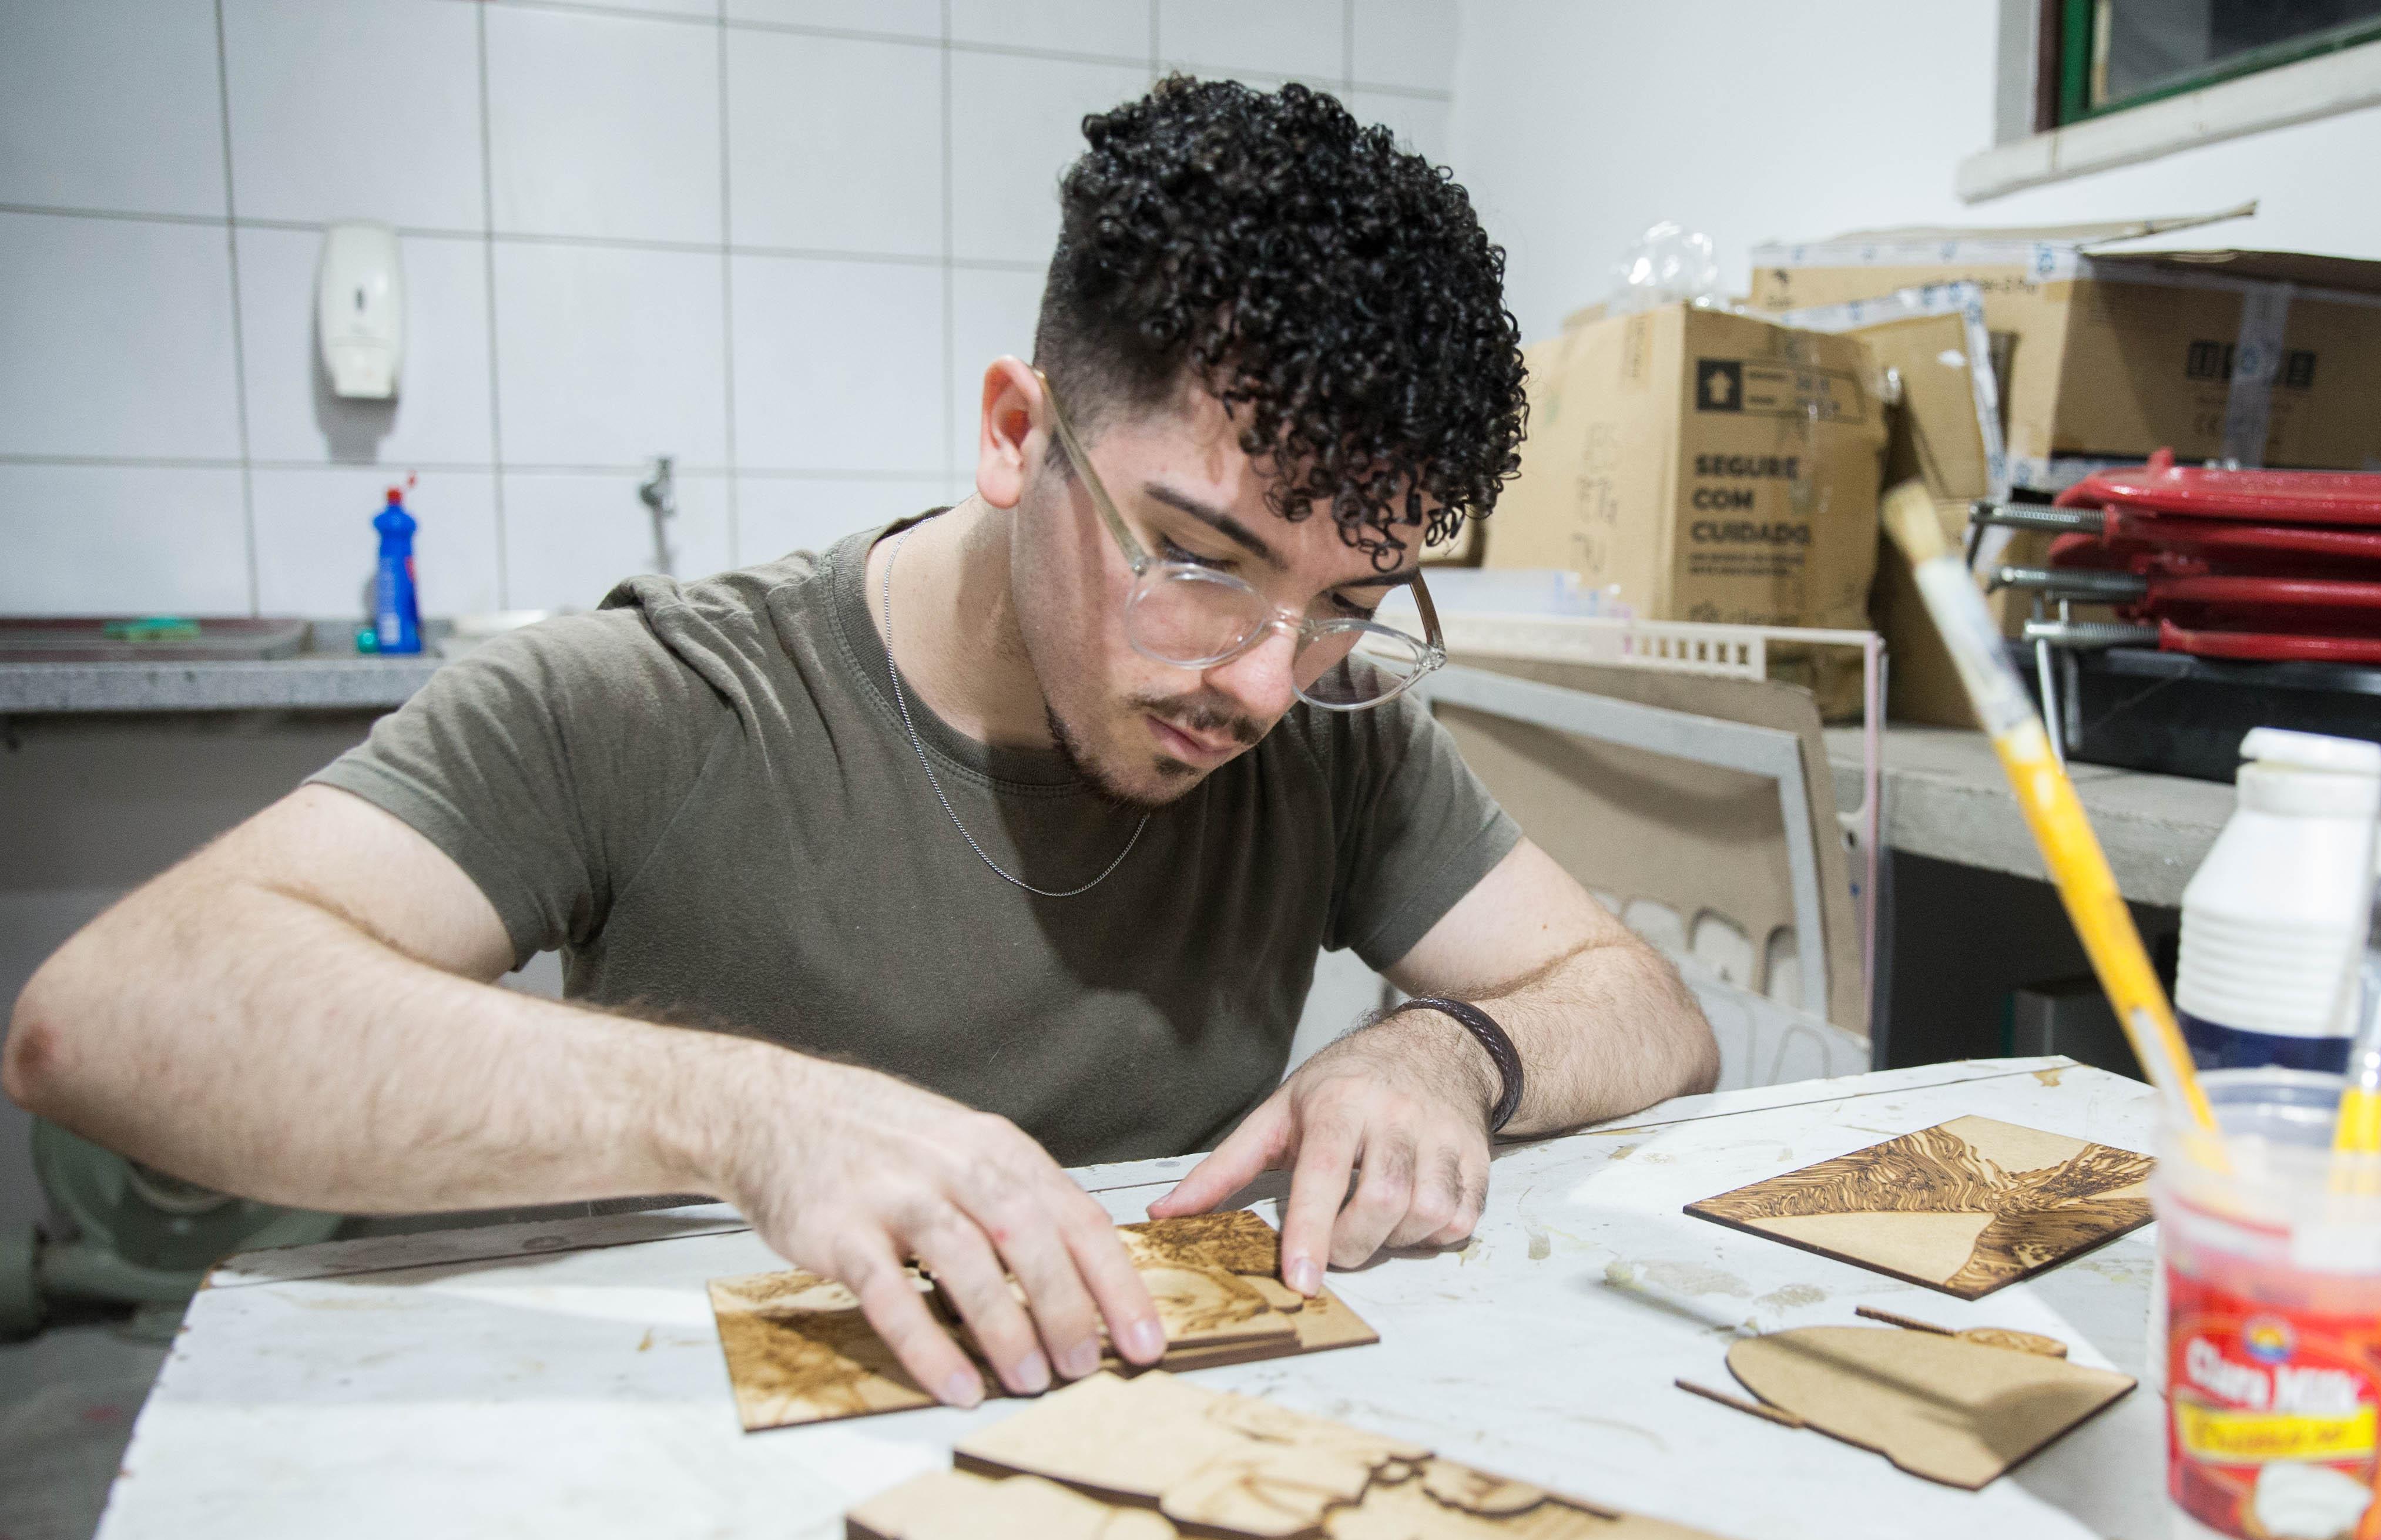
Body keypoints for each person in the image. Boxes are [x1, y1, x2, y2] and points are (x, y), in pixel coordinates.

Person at [4, 78, 1716, 1407]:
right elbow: (110, 1021)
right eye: (1198, 561)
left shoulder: (1321, 732)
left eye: (1349, 599)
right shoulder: (666, 699)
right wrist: (746, 1115)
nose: (1263, 682)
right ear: (1013, 433)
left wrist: (1444, 1055)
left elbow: (1642, 1004)